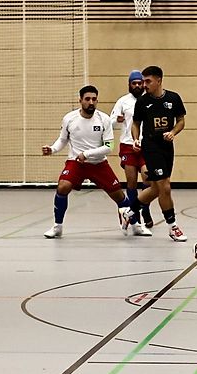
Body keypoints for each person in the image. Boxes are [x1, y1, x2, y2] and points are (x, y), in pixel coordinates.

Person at [41, 85, 131, 238]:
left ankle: (133, 222)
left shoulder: (104, 119)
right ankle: (57, 226)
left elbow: (109, 147)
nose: (91, 102)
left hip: (98, 164)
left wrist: (87, 154)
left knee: (120, 197)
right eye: (87, 99)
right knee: (62, 187)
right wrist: (52, 149)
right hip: (76, 162)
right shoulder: (69, 118)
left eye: (94, 99)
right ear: (80, 100)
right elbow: (62, 139)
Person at [125, 66, 188, 242]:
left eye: (148, 81)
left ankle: (129, 212)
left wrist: (173, 132)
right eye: (143, 81)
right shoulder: (142, 102)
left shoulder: (173, 98)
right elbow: (135, 123)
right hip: (150, 146)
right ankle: (172, 227)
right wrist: (135, 139)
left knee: (155, 188)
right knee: (165, 187)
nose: (144, 85)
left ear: (159, 80)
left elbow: (181, 120)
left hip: (167, 147)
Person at [110, 70, 154, 237]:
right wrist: (117, 120)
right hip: (128, 145)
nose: (137, 86)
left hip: (145, 145)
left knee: (148, 178)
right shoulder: (123, 101)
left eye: (139, 83)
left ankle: (145, 208)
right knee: (131, 182)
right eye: (133, 83)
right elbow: (110, 122)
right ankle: (135, 217)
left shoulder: (149, 100)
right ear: (129, 84)